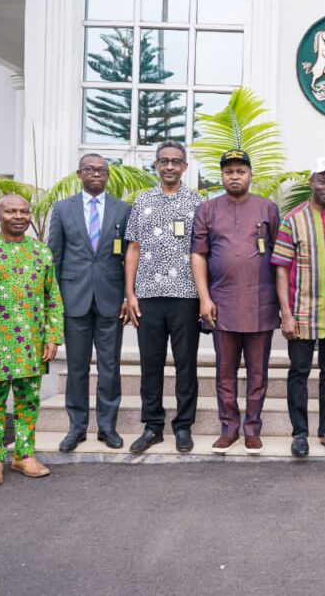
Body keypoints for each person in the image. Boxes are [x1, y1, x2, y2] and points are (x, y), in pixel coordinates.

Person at [0, 194, 64, 486]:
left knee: (28, 401)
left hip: (31, 344)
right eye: (11, 211)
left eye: (24, 211)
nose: (19, 216)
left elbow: (52, 297)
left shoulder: (42, 253)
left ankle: (23, 456)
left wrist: (52, 336)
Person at [191, 149, 280, 455]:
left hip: (261, 303)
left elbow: (281, 258)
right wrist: (205, 298)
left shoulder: (268, 209)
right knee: (225, 371)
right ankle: (229, 428)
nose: (235, 176)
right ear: (222, 176)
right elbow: (198, 255)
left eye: (241, 171)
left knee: (258, 372)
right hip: (222, 302)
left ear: (250, 175)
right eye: (229, 171)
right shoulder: (208, 210)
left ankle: (253, 429)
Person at [271, 157, 325, 457]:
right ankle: (299, 433)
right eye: (323, 180)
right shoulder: (292, 219)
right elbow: (281, 269)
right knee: (298, 372)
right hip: (302, 312)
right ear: (311, 182)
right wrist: (286, 313)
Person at [123, 141, 205, 454]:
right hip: (148, 296)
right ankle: (152, 426)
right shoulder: (142, 201)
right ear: (155, 166)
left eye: (176, 161)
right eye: (163, 161)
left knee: (186, 364)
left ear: (185, 166)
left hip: (186, 296)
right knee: (151, 364)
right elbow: (133, 248)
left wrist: (204, 296)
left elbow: (203, 252)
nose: (169, 166)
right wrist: (129, 293)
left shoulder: (198, 202)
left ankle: (183, 426)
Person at [47, 154, 132, 452]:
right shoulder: (62, 209)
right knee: (77, 367)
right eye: (90, 169)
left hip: (111, 299)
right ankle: (77, 427)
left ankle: (108, 427)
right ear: (79, 173)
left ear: (108, 175)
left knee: (110, 367)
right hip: (74, 300)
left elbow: (127, 258)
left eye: (102, 170)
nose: (97, 174)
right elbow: (54, 258)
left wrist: (126, 296)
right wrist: (54, 303)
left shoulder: (124, 210)